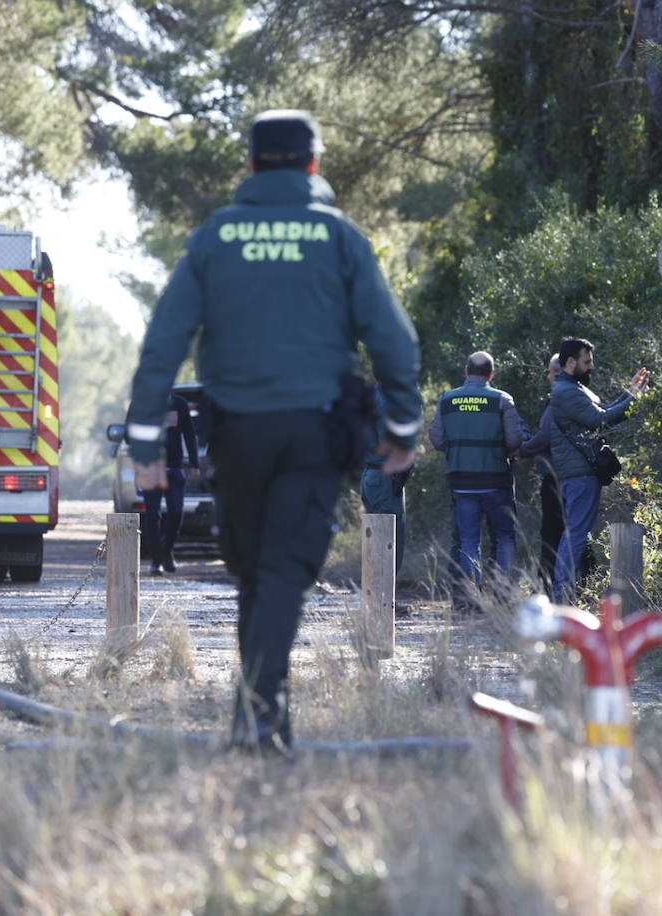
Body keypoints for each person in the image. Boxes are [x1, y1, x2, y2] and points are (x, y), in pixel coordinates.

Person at [124, 109, 422, 752]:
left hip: (235, 433)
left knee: (260, 571)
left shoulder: (215, 238)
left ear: (252, 165)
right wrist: (402, 424)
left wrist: (145, 444)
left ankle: (261, 714)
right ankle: (261, 713)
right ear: (313, 165)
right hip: (315, 432)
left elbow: (162, 345)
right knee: (278, 571)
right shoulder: (339, 237)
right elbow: (393, 341)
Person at [548, 337, 649, 602]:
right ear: (571, 362)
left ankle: (563, 592)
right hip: (579, 474)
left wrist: (628, 394)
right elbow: (599, 420)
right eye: (586, 361)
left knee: (576, 531)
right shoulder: (566, 391)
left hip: (580, 473)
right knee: (577, 533)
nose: (591, 366)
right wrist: (633, 400)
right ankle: (562, 594)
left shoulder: (573, 388)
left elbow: (601, 410)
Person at [428, 351, 525, 601]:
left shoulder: (447, 400)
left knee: (469, 541)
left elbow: (437, 439)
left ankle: (471, 599)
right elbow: (515, 439)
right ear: (491, 373)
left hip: (461, 482)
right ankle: (503, 597)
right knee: (504, 537)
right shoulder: (502, 399)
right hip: (496, 480)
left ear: (466, 371)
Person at [521, 352, 593, 590]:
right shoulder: (575, 396)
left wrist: (522, 450)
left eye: (550, 372)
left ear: (560, 372)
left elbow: (544, 437)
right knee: (577, 529)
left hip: (558, 475)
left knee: (556, 531)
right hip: (565, 473)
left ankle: (552, 587)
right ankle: (584, 583)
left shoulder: (560, 399)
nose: (548, 377)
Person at [142, 391, 200, 576]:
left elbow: (189, 434)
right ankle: (156, 561)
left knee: (176, 511)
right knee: (152, 515)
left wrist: (194, 463)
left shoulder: (179, 404)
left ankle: (167, 549)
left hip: (174, 469)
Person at [358, 386, 410, 585]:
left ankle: (376, 599)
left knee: (376, 539)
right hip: (385, 477)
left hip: (371, 474)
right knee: (389, 540)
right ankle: (382, 600)